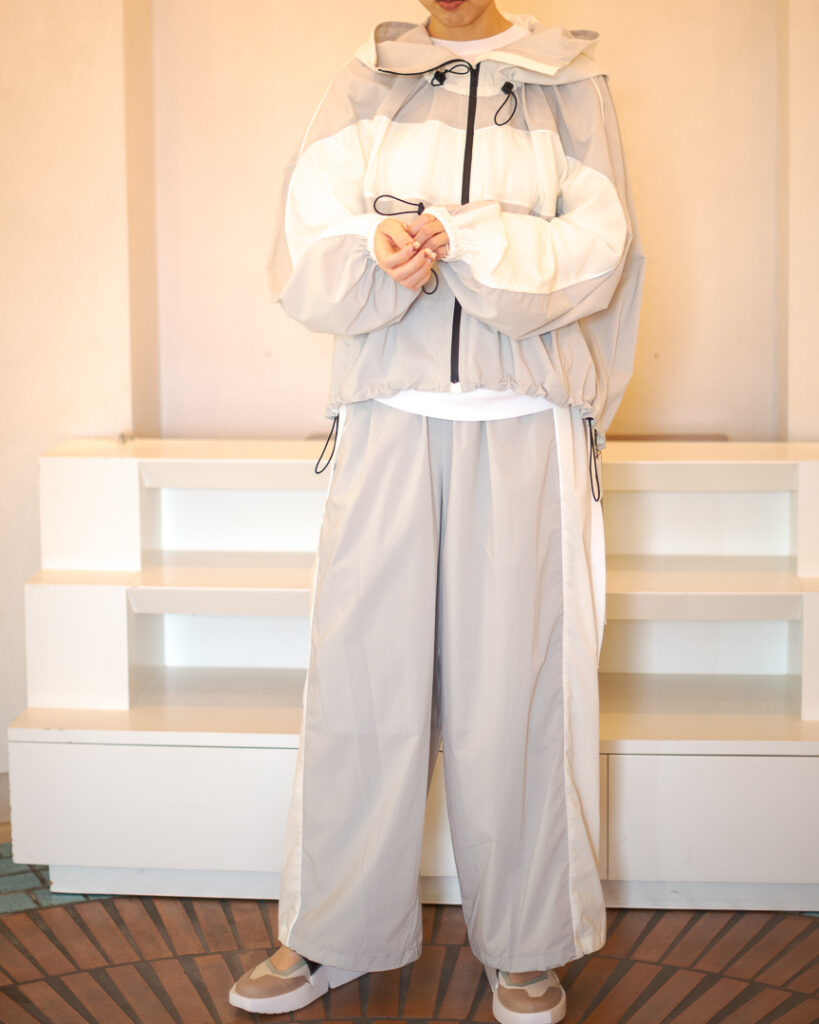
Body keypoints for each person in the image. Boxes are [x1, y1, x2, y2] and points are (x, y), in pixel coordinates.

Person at [230, 1, 644, 1021]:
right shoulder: (363, 80)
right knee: (359, 685)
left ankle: (528, 943)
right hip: (385, 417)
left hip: (526, 422)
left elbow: (601, 256)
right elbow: (303, 250)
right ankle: (331, 932)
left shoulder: (569, 87)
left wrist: (466, 237)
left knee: (522, 690)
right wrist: (373, 245)